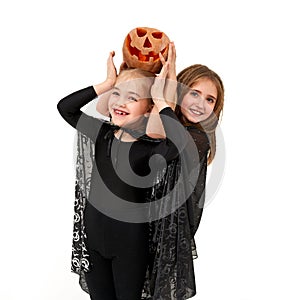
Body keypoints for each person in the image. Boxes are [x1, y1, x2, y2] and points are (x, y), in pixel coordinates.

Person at [57, 51, 193, 300]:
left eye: (132, 97)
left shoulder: (149, 149)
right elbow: (65, 108)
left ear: (147, 107)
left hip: (130, 244)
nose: (120, 102)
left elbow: (179, 142)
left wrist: (162, 101)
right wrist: (107, 83)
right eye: (117, 94)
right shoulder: (101, 133)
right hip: (94, 239)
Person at [140, 55, 225, 299]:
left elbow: (176, 137)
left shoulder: (199, 139)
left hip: (169, 237)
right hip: (142, 226)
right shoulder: (166, 124)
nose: (201, 103)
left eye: (210, 99)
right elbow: (154, 130)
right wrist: (171, 82)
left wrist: (161, 99)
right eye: (194, 93)